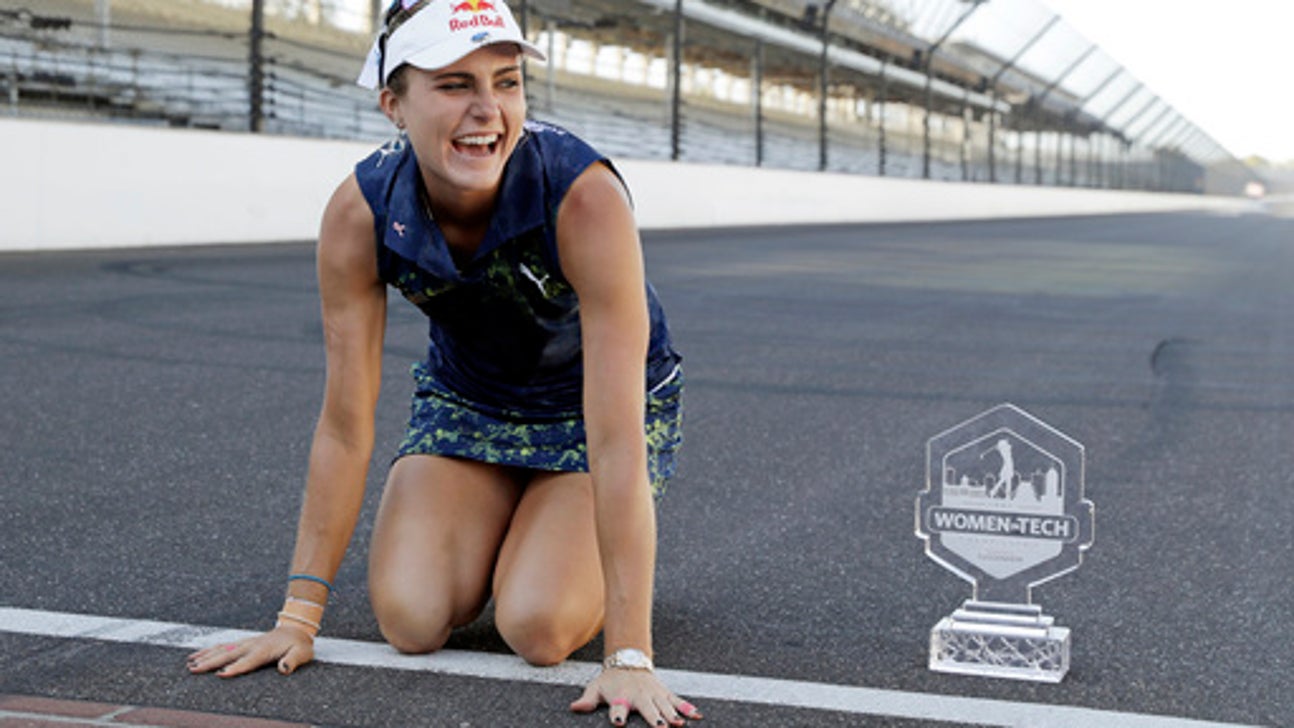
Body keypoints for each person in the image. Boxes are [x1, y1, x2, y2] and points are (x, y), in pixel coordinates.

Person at [185, 1, 699, 725]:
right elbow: (343, 425)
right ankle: (515, 519)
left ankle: (571, 535)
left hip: (593, 416)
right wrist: (298, 616)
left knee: (540, 628)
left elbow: (615, 433)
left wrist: (629, 657)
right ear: (394, 104)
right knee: (410, 620)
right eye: (455, 84)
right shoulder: (360, 213)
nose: (488, 110)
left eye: (508, 81)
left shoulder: (583, 196)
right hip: (470, 402)